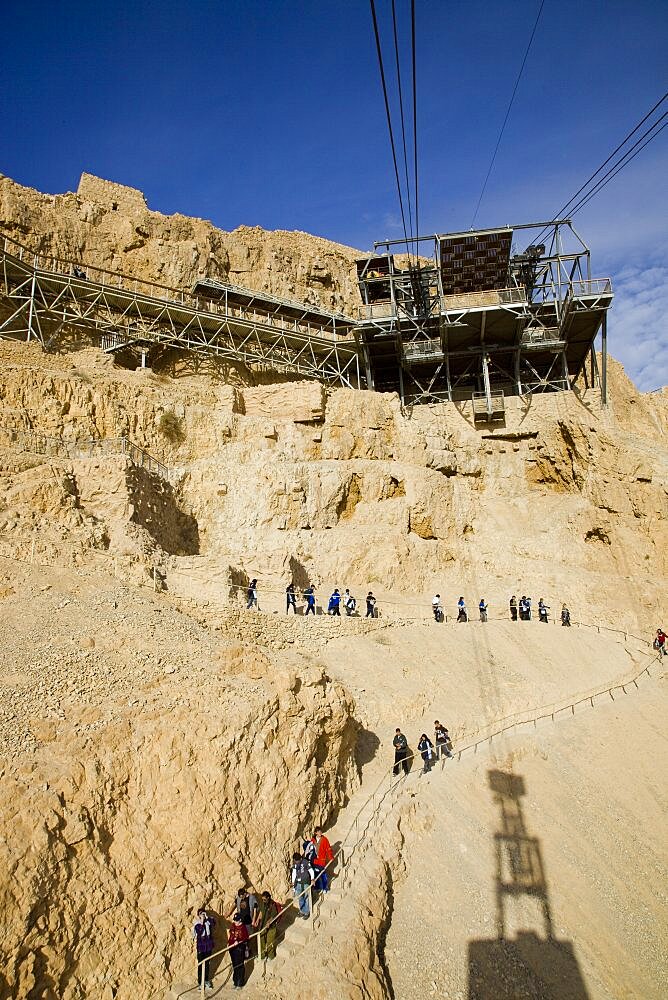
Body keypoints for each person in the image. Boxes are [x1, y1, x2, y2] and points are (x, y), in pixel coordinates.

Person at [192, 907, 216, 992]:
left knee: (207, 964)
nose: (202, 915)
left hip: (208, 946)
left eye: (203, 913)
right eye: (200, 914)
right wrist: (202, 922)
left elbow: (213, 923)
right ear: (198, 915)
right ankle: (200, 983)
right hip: (201, 947)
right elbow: (199, 931)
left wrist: (207, 918)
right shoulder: (196, 923)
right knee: (200, 965)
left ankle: (206, 980)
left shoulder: (208, 921)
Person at [253, 891, 281, 961]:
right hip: (263, 926)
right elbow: (261, 912)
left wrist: (269, 922)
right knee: (261, 939)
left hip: (271, 927)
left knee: (269, 942)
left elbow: (273, 915)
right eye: (262, 899)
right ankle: (262, 955)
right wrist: (257, 920)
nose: (263, 901)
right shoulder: (263, 903)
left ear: (268, 898)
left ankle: (271, 956)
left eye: (264, 899)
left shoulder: (273, 905)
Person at [228, 913, 249, 990]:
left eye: (237, 920)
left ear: (240, 920)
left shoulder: (243, 928)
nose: (235, 922)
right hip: (232, 948)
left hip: (239, 949)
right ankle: (235, 981)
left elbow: (246, 938)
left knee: (239, 965)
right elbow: (231, 933)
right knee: (235, 965)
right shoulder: (233, 925)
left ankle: (240, 983)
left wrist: (239, 941)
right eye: (235, 920)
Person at [291, 852, 314, 919]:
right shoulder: (295, 864)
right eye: (295, 861)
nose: (297, 862)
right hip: (298, 883)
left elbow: (311, 871)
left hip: (306, 882)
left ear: (301, 859)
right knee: (300, 897)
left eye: (298, 861)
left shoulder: (305, 862)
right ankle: (302, 911)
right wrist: (293, 882)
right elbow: (294, 873)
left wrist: (312, 879)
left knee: (306, 897)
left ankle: (307, 912)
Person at [312, 827, 334, 892]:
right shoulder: (313, 840)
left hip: (322, 860)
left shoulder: (324, 839)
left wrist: (330, 857)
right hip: (315, 860)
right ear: (315, 833)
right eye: (318, 831)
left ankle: (325, 887)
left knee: (323, 874)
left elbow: (328, 849)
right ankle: (317, 887)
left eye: (320, 831)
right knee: (315, 874)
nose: (320, 832)